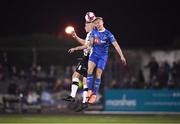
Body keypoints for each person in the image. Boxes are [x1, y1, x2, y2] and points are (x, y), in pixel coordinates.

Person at [87, 17, 126, 103]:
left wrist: (122, 56)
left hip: (103, 57)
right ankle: (89, 91)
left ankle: (94, 94)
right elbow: (91, 42)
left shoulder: (108, 34)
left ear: (102, 22)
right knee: (89, 70)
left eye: (99, 22)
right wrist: (89, 46)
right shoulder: (94, 31)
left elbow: (116, 45)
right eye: (96, 23)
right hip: (94, 55)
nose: (97, 24)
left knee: (98, 74)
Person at [62, 20, 94, 112]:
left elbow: (86, 46)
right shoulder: (90, 34)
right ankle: (84, 102)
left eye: (86, 25)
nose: (85, 27)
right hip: (89, 58)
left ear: (91, 26)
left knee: (75, 76)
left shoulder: (92, 34)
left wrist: (75, 48)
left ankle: (72, 96)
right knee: (85, 81)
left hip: (87, 58)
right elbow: (85, 43)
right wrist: (75, 37)